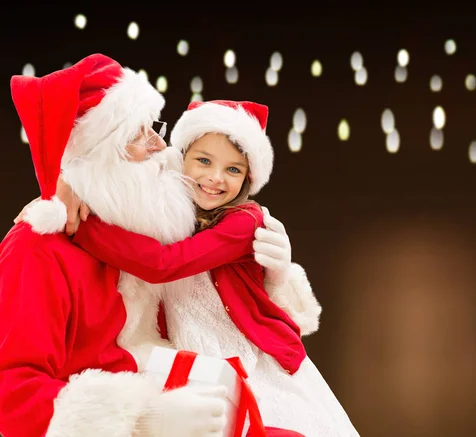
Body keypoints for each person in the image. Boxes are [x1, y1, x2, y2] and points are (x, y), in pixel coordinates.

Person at [1, 54, 310, 437]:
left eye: (155, 127)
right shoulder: (38, 249)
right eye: (137, 134)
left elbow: (211, 304)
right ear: (100, 154)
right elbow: (11, 397)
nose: (160, 146)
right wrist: (142, 423)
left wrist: (277, 281)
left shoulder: (139, 238)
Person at [64, 100, 359, 437]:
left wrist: (83, 226)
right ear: (181, 159)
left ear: (248, 178)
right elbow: (124, 187)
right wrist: (74, 188)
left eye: (233, 169)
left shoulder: (245, 221)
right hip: (190, 357)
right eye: (204, 161)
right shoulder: (170, 209)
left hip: (248, 359)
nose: (215, 178)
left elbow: (164, 264)